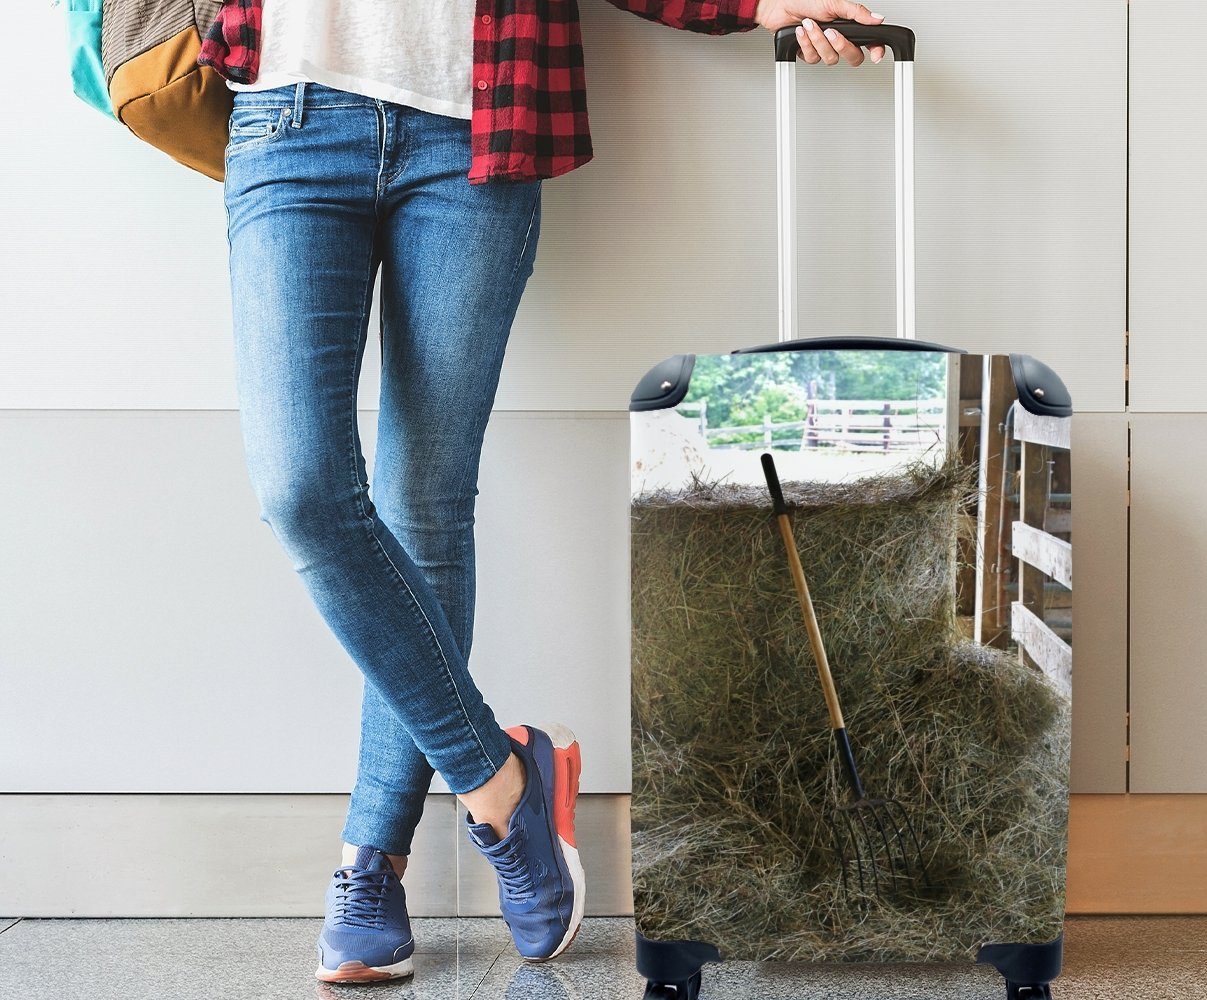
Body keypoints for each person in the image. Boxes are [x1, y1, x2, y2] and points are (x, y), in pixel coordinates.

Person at [198, 0, 887, 984]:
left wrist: (758, 3)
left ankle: (373, 862)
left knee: (425, 498)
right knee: (304, 490)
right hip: (288, 116)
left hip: (474, 122)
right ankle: (501, 775)